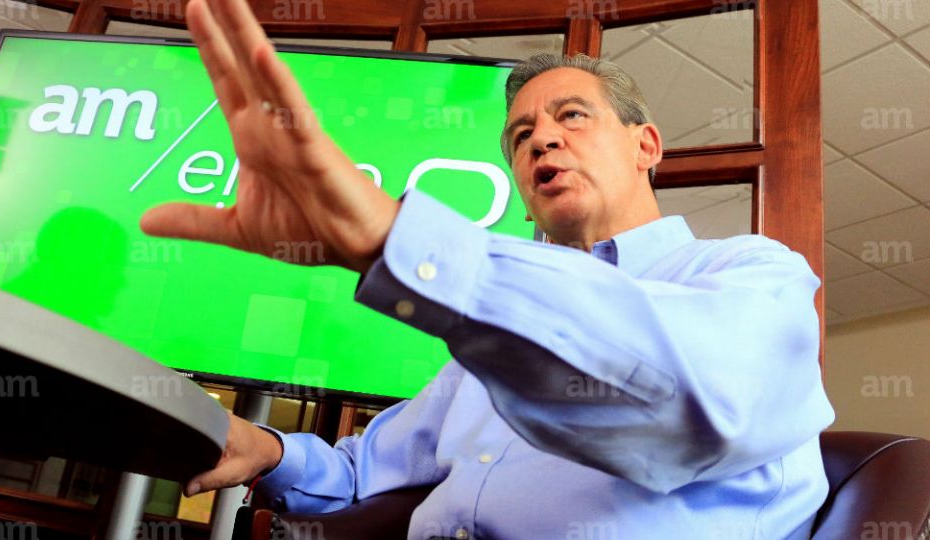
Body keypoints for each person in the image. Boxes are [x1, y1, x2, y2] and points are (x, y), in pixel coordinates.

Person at [139, 0, 835, 537]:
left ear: (646, 146)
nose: (542, 140)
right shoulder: (480, 355)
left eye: (571, 116)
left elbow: (691, 395)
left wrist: (390, 236)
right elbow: (367, 470)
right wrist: (264, 448)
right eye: (520, 135)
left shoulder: (754, 274)